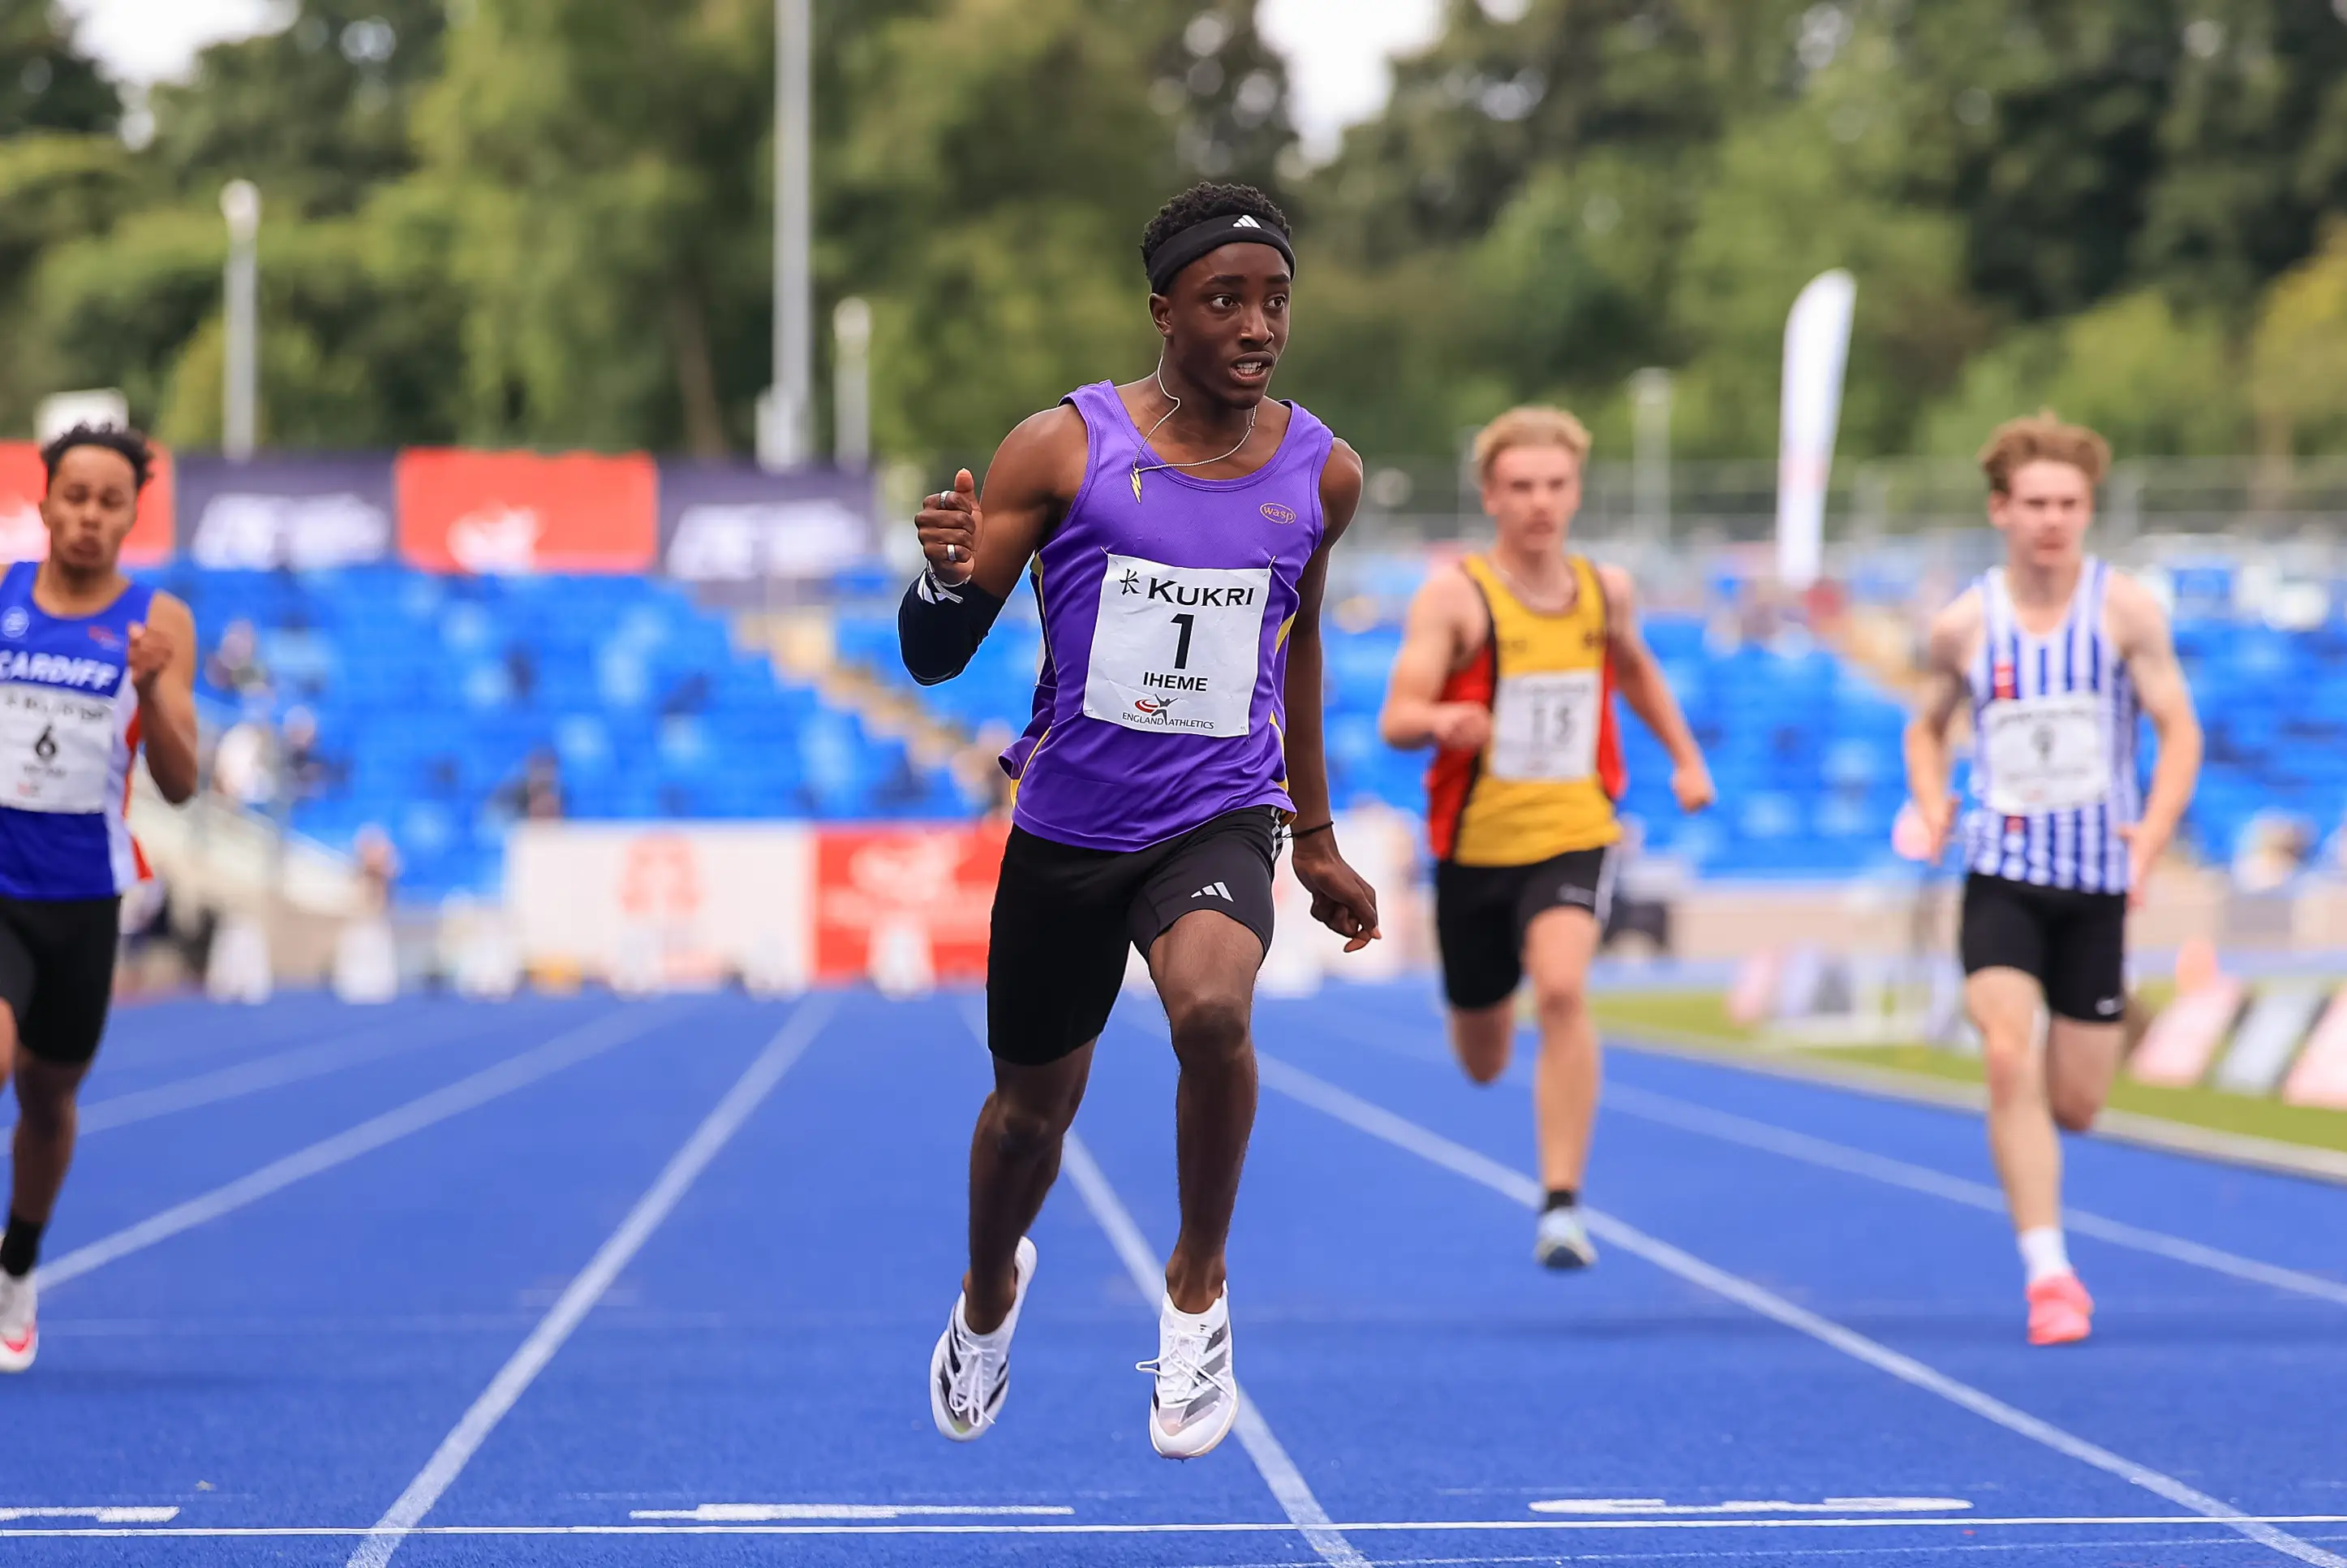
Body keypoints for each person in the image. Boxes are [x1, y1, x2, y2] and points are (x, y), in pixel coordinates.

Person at [899, 183, 1380, 1458]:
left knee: (1215, 1011)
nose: (1257, 325)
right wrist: (942, 578)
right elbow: (939, 654)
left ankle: (1197, 1292)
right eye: (1225, 299)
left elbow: (1303, 645)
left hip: (1217, 816)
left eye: (1276, 300)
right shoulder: (1062, 448)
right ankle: (991, 1290)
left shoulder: (1318, 473)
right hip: (1068, 829)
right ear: (1162, 310)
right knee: (1025, 1123)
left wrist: (1317, 837)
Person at [1378, 407, 1713, 1269]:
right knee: (1483, 1056)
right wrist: (1440, 718)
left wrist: (1683, 758)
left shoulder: (1605, 590)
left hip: (1573, 828)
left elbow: (1632, 668)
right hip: (1472, 846)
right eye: (1521, 486)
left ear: (1575, 491)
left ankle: (1561, 1204)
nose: (1539, 502)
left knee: (1562, 989)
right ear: (1491, 494)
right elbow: (1395, 716)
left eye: (1555, 485)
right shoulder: (1456, 596)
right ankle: (1472, 999)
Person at [1904, 412, 2201, 1347]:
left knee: (2075, 1102)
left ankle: (2106, 1016)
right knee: (2002, 1050)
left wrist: (2149, 838)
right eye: (2034, 502)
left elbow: (2179, 730)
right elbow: (1923, 725)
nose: (2051, 520)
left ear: (2087, 511)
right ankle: (2049, 1273)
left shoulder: (2124, 612)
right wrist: (1934, 798)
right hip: (2000, 872)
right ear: (2000, 509)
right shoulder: (1964, 622)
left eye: (2068, 503)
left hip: (2097, 884)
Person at [0, 424, 199, 1371]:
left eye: (107, 500)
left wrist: (154, 691)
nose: (87, 514)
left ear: (129, 514)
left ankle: (19, 1263)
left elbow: (183, 780)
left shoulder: (157, 622)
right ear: (44, 503)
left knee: (48, 1096)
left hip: (81, 894)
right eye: (72, 495)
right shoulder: (0, 599)